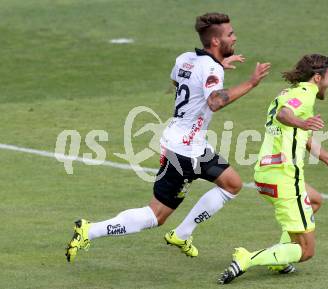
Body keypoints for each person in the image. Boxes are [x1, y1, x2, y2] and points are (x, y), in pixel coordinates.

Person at [65, 12, 271, 262]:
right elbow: (215, 102)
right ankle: (90, 230)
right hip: (183, 152)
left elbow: (177, 80)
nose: (235, 38)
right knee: (155, 216)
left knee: (232, 184)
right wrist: (251, 83)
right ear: (216, 42)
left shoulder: (187, 58)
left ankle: (183, 234)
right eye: (230, 35)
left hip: (191, 144)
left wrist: (213, 71)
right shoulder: (210, 67)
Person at [218, 54, 328, 284]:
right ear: (317, 78)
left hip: (266, 174)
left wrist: (327, 157)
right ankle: (248, 258)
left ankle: (279, 258)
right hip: (285, 176)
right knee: (306, 251)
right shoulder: (305, 95)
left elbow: (299, 132)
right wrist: (301, 122)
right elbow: (284, 115)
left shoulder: (287, 92)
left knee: (315, 200)